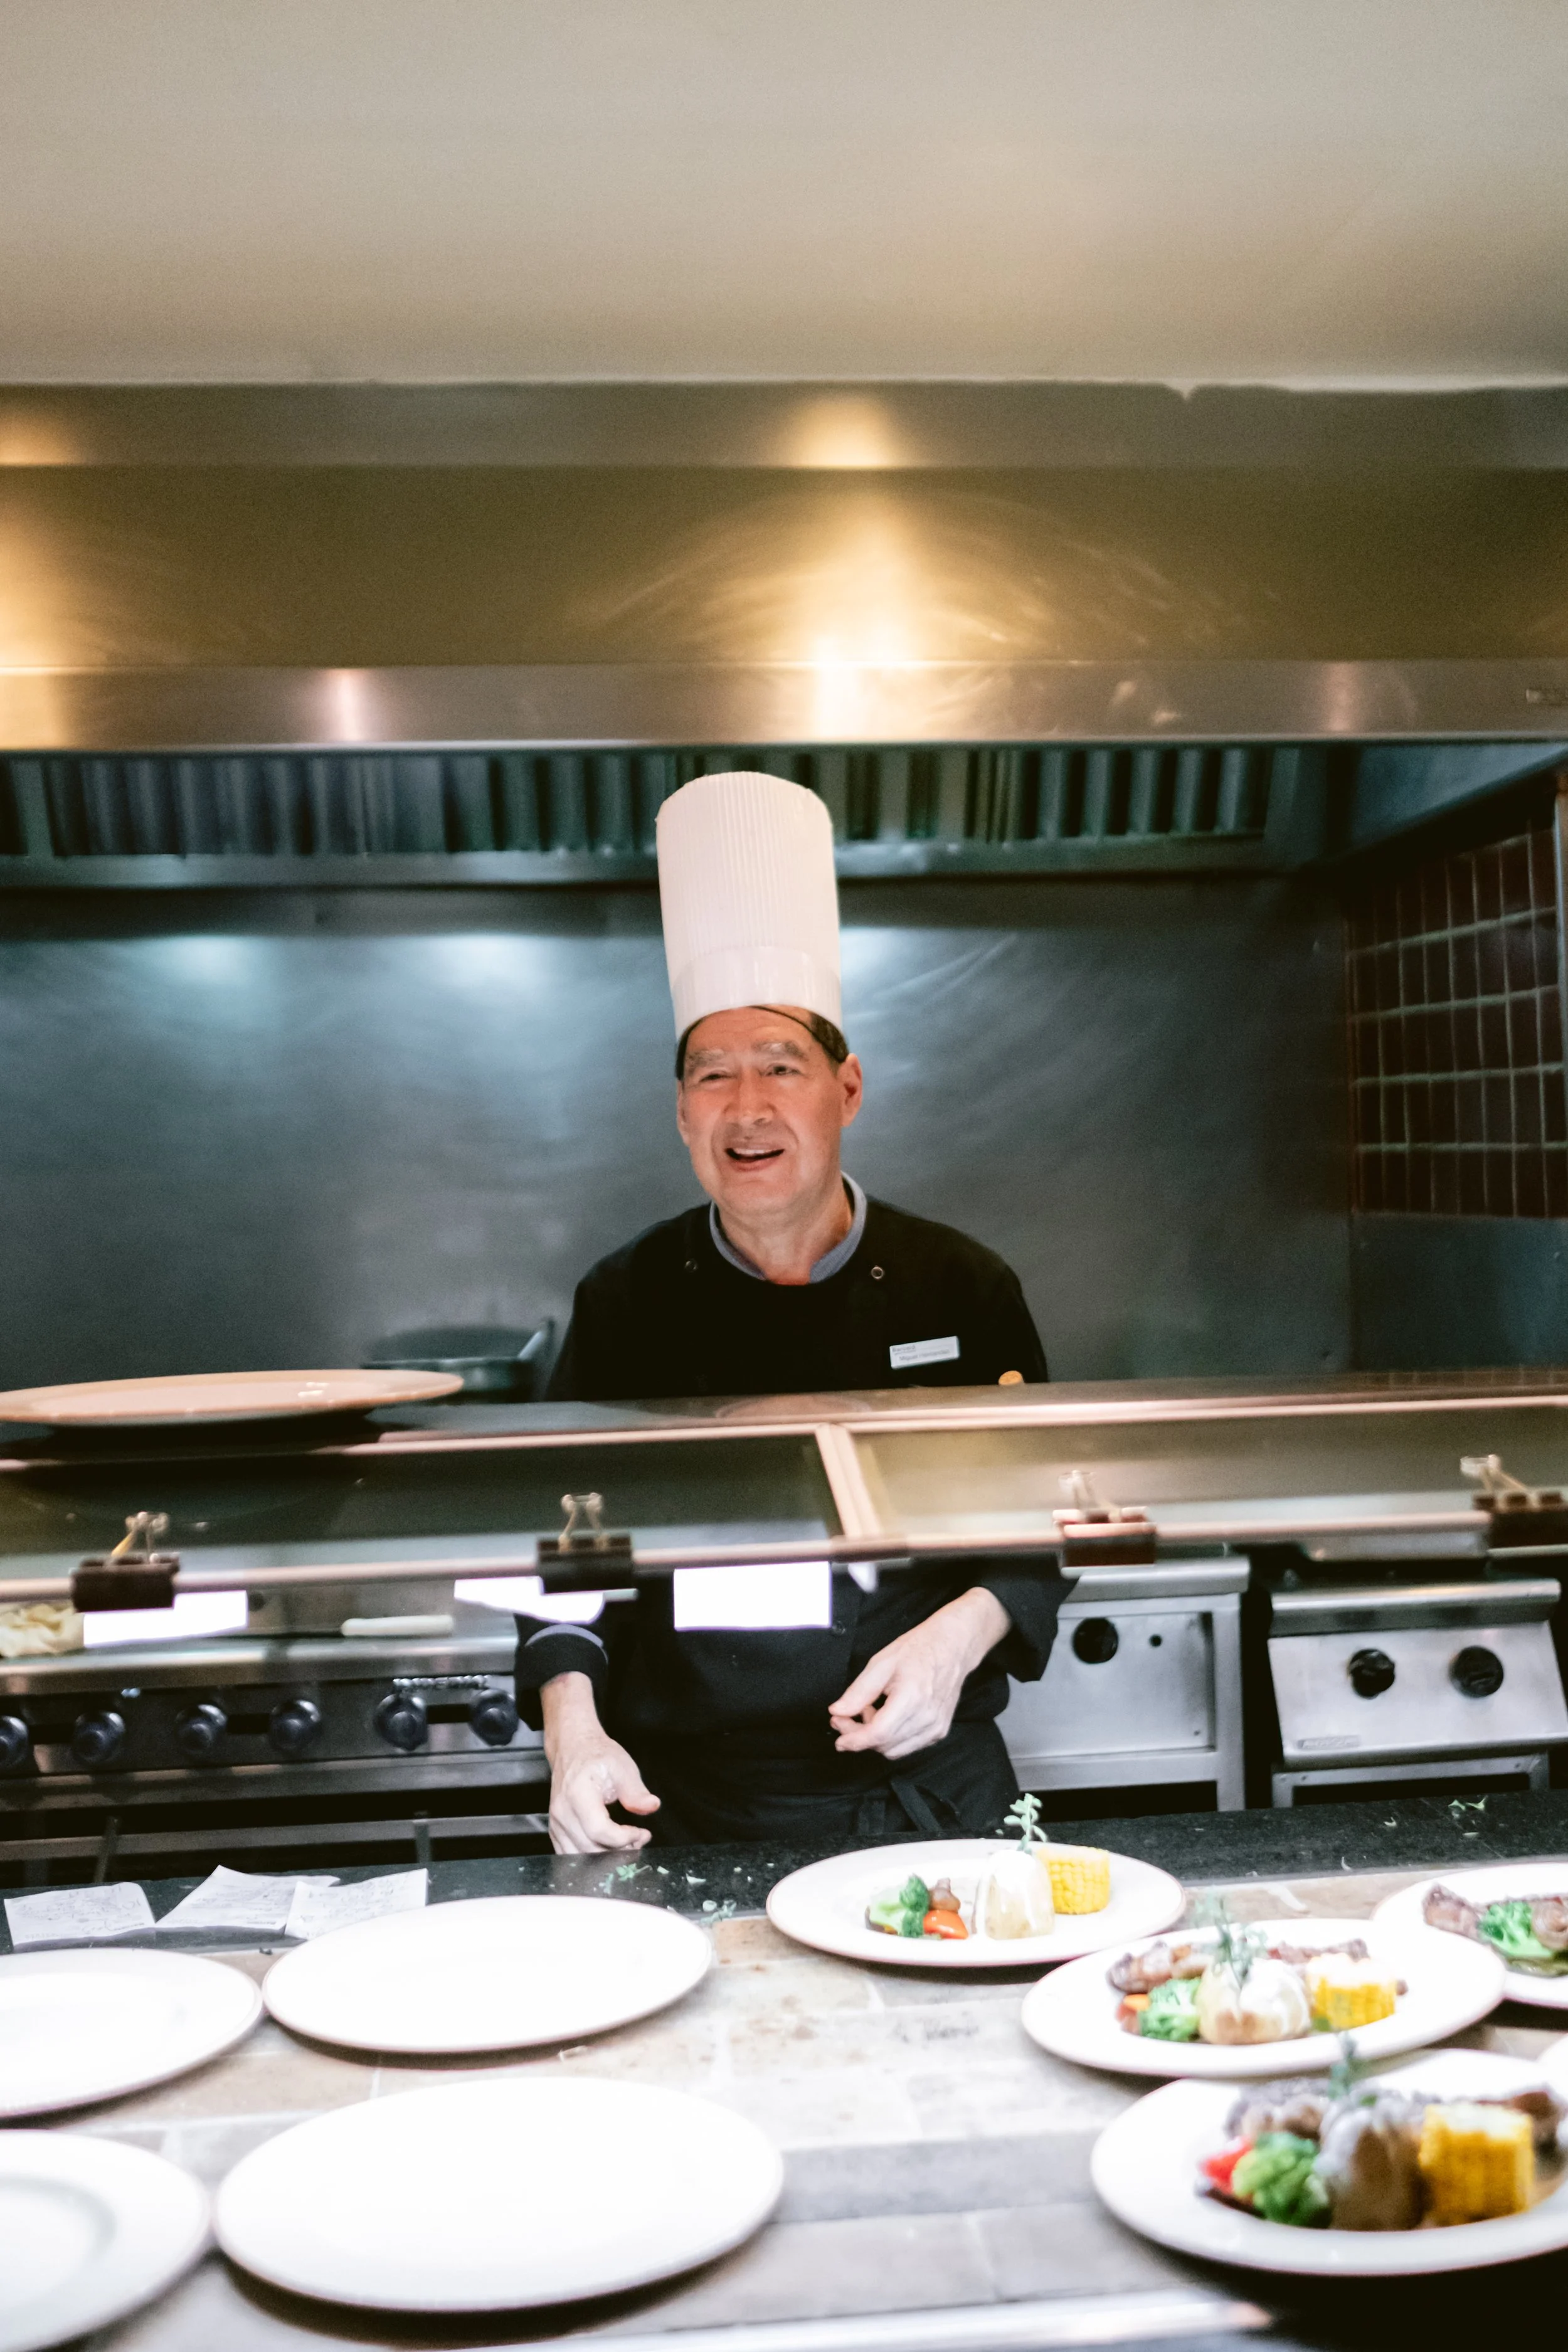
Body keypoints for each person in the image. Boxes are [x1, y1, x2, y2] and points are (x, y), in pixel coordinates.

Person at [516, 771, 1062, 1852]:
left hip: (929, 1786)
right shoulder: (624, 1299)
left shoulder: (962, 1285)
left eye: (781, 1066)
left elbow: (1045, 1512)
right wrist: (573, 1734)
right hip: (687, 1803)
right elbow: (560, 1539)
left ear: (847, 1090)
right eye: (713, 1075)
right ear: (681, 1112)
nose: (749, 1107)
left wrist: (957, 1640)